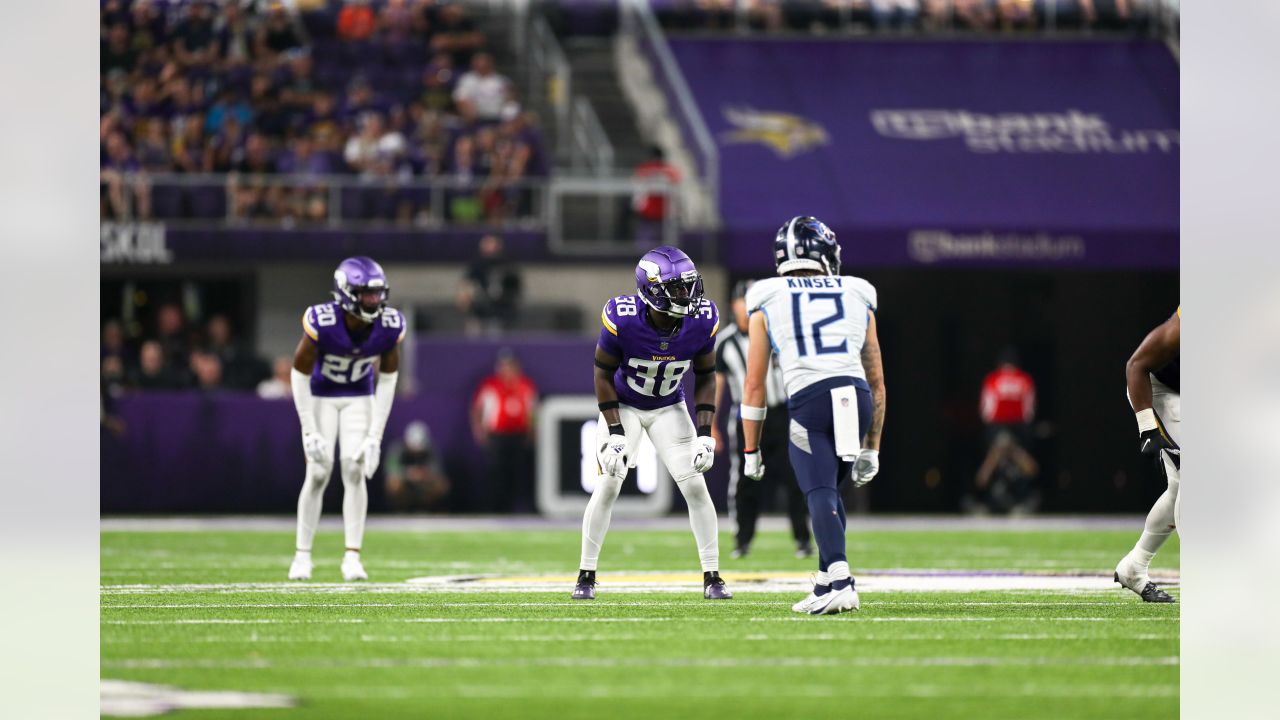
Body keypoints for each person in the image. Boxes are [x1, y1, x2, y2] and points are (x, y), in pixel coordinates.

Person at [741, 216, 887, 615]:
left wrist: (750, 449)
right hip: (854, 397)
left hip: (811, 398)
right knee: (830, 493)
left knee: (818, 491)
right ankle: (825, 581)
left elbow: (754, 384)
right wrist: (872, 446)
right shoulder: (857, 291)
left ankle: (841, 580)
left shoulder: (766, 296)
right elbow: (876, 379)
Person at [573, 246, 731, 601]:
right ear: (653, 289)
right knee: (609, 483)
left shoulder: (702, 319)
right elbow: (602, 374)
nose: (687, 295)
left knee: (694, 486)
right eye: (677, 287)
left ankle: (713, 576)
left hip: (668, 406)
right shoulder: (624, 317)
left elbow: (707, 376)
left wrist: (705, 434)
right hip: (624, 405)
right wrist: (614, 432)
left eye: (689, 285)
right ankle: (586, 574)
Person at [288, 257, 405, 582]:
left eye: (377, 294)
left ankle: (352, 557)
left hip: (358, 397)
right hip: (321, 396)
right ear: (346, 292)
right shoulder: (322, 321)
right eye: (367, 294)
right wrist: (308, 429)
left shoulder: (389, 325)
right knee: (318, 473)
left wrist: (375, 437)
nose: (374, 300)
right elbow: (298, 374)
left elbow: (388, 378)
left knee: (355, 471)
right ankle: (302, 556)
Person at [714, 279, 812, 560]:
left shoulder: (780, 333)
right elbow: (718, 385)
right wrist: (711, 425)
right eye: (743, 301)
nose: (747, 307)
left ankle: (803, 539)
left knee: (796, 478)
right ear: (734, 304)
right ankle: (742, 540)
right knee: (746, 481)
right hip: (746, 417)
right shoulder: (726, 343)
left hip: (782, 414)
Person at [1113, 307, 1180, 603]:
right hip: (1157, 388)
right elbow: (1136, 365)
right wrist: (1147, 428)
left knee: (1181, 487)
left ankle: (1134, 568)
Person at [970, 349, 1040, 514]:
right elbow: (1029, 410)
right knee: (1021, 459)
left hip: (996, 426)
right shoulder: (1024, 380)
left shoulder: (993, 379)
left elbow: (986, 410)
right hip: (1020, 427)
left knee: (993, 457)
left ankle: (982, 490)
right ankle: (1021, 490)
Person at [471, 349, 539, 513]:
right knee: (496, 472)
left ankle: (513, 508)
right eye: (504, 366)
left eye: (510, 366)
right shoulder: (490, 385)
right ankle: (495, 508)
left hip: (518, 435)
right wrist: (479, 430)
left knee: (516, 473)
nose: (507, 370)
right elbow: (477, 409)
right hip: (497, 436)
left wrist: (533, 432)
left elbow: (533, 411)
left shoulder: (525, 385)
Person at [456, 234, 522, 335]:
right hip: (481, 306)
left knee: (495, 330)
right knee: (473, 328)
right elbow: (466, 283)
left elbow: (515, 287)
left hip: (502, 308)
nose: (487, 247)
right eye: (485, 244)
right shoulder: (477, 264)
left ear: (498, 246)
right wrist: (464, 298)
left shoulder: (507, 264)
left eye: (490, 243)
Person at [385, 421, 451, 512]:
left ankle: (430, 510)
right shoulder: (397, 450)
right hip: (405, 484)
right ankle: (400, 510)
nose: (416, 453)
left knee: (442, 485)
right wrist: (409, 474)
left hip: (425, 483)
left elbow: (438, 471)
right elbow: (391, 471)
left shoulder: (431, 450)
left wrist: (424, 474)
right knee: (393, 484)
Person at [631, 147, 680, 248]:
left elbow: (637, 189)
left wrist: (636, 206)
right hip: (660, 209)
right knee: (659, 236)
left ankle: (644, 253)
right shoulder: (670, 170)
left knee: (650, 235)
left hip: (655, 209)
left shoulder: (645, 168)